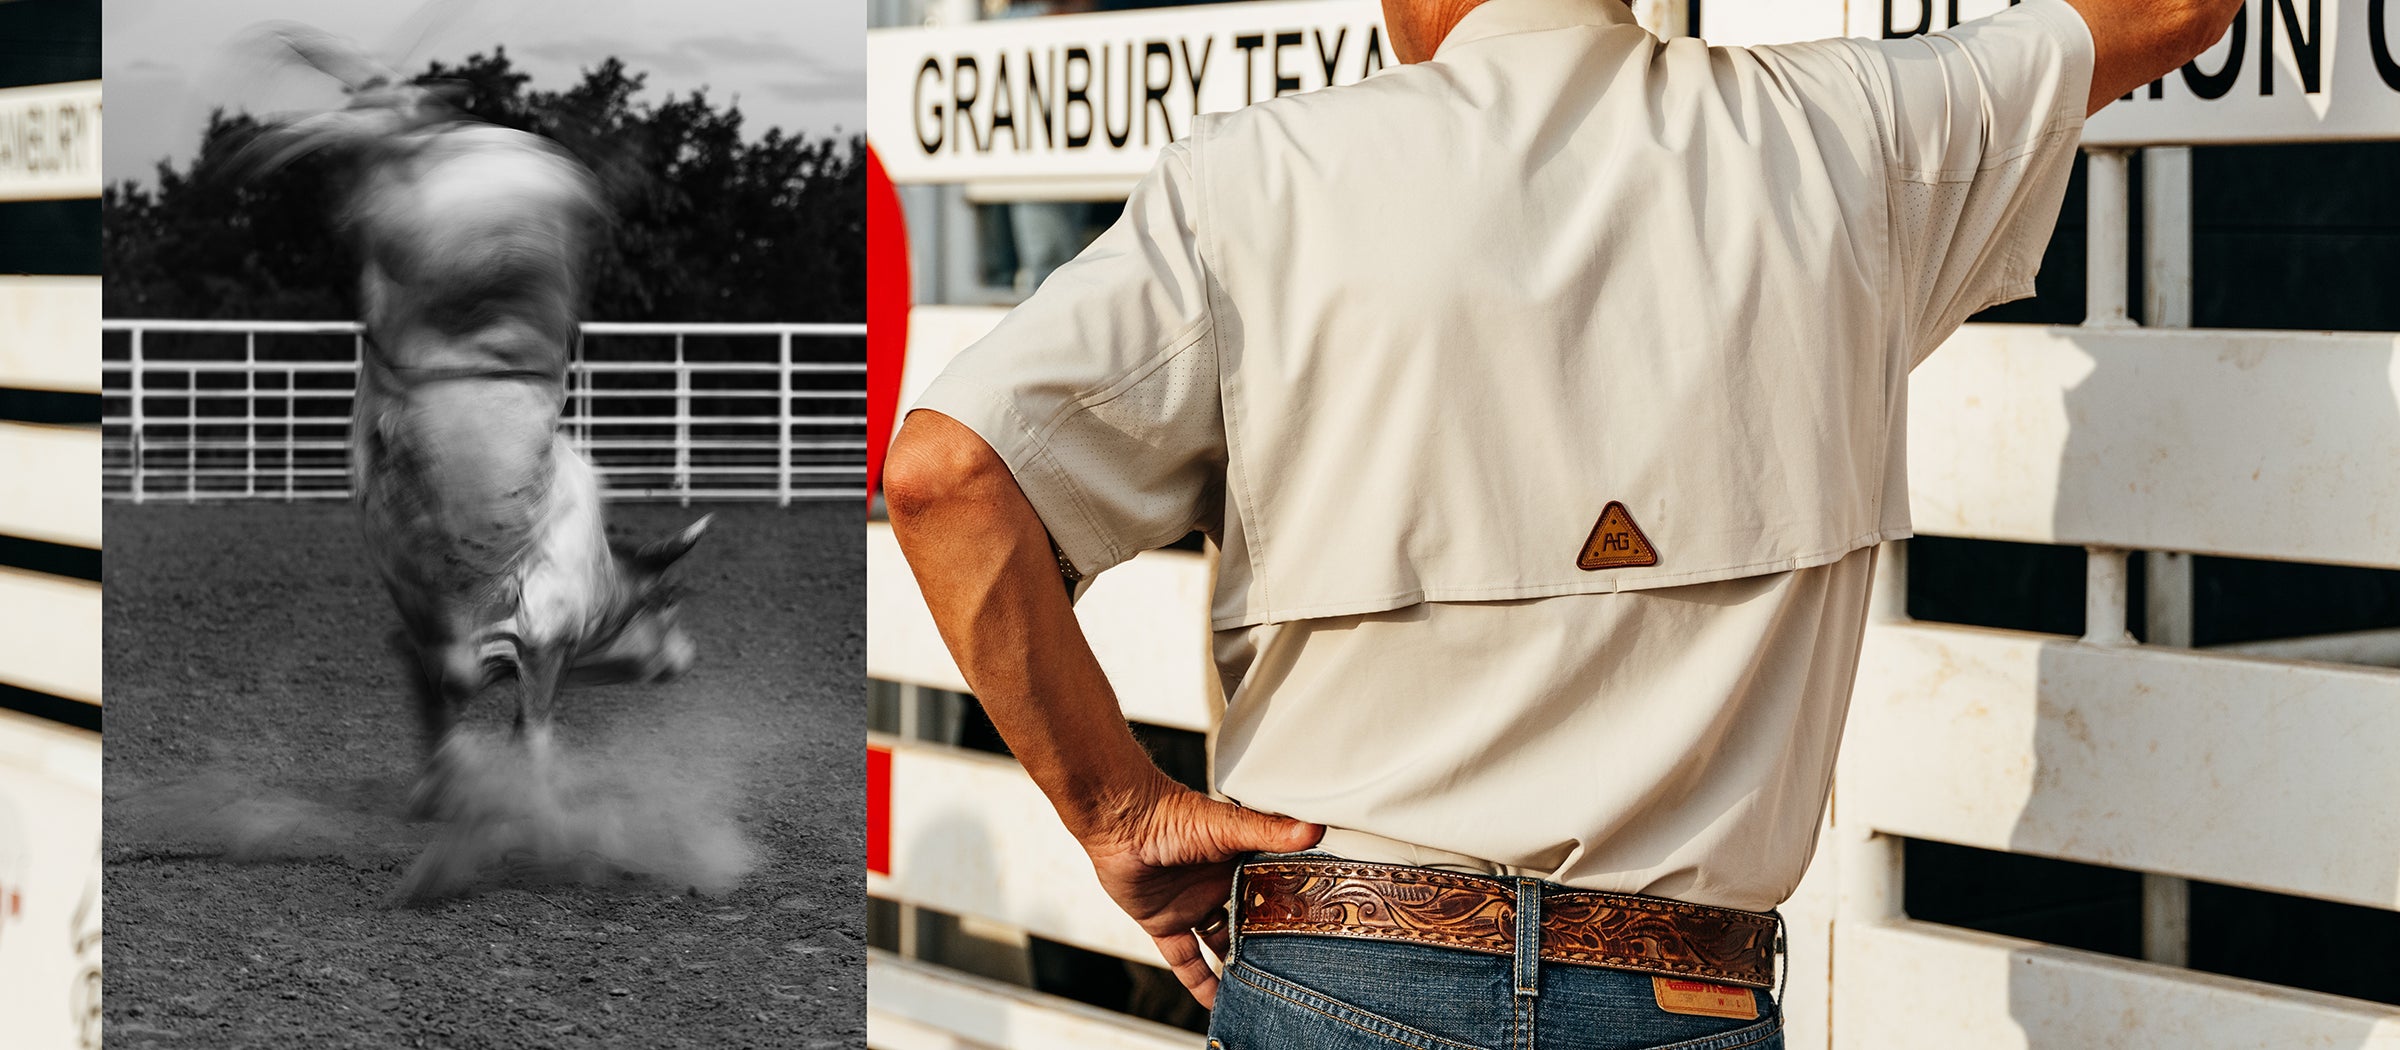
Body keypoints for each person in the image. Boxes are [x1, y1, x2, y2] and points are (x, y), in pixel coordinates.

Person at [884, 0, 2243, 1044]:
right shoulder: (1858, 134)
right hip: (1680, 994)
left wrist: (1122, 808)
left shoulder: (1264, 183)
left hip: (1340, 965)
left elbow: (949, 476)